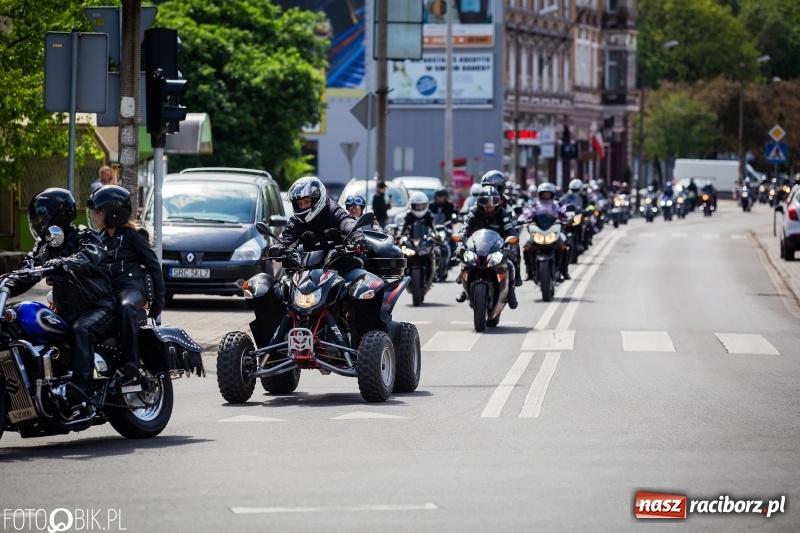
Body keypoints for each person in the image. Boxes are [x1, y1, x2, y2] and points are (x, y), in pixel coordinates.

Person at [9, 188, 117, 413]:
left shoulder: (85, 236)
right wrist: (7, 284)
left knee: (82, 331)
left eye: (40, 218)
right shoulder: (43, 247)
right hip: (67, 312)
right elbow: (27, 272)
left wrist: (64, 262)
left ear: (56, 217)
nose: (37, 223)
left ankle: (83, 391)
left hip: (100, 308)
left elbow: (93, 254)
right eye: (35, 219)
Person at [87, 185, 166, 383]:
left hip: (132, 288)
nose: (95, 216)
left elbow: (154, 266)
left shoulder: (134, 234)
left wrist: (159, 300)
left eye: (99, 211)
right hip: (109, 292)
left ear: (113, 212)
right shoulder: (99, 239)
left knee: (125, 306)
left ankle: (131, 362)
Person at [455, 186, 521, 309]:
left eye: (493, 203)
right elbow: (464, 230)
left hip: (497, 247)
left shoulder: (502, 213)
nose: (489, 207)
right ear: (480, 202)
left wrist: (512, 248)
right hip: (476, 246)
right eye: (486, 203)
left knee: (510, 265)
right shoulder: (474, 212)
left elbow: (511, 232)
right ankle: (466, 289)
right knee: (465, 264)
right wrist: (460, 246)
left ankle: (511, 292)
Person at [270, 176, 367, 258]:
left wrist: (357, 236)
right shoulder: (298, 220)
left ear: (317, 199)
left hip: (340, 266)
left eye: (307, 201)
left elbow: (347, 222)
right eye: (300, 203)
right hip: (311, 270)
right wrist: (279, 246)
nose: (303, 206)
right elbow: (288, 237)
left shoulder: (333, 211)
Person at [519, 182, 571, 281]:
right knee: (526, 247)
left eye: (548, 194)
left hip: (553, 231)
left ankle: (564, 270)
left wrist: (569, 217)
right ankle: (529, 271)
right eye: (544, 194)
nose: (546, 196)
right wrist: (522, 218)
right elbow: (526, 214)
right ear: (540, 195)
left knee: (564, 246)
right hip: (538, 231)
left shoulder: (556, 205)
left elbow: (565, 212)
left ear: (552, 194)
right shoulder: (534, 205)